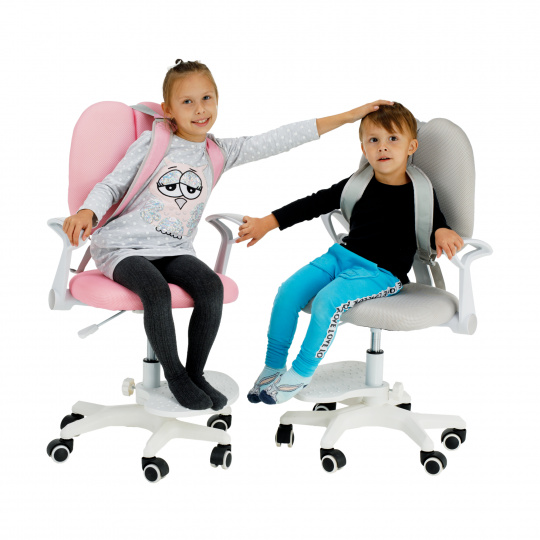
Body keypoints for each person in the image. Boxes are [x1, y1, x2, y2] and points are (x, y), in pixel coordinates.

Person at [62, 59, 391, 411]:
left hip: (173, 248)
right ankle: (176, 377)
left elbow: (278, 140)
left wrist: (346, 117)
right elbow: (111, 185)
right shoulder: (152, 142)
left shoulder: (219, 152)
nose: (200, 109)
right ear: (169, 109)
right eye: (187, 102)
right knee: (155, 292)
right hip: (123, 248)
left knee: (211, 288)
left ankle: (195, 374)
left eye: (207, 98)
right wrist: (87, 211)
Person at [238, 102, 464, 405]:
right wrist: (267, 223)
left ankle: (302, 372)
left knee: (327, 302)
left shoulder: (421, 192)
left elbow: (437, 222)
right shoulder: (357, 183)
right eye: (374, 140)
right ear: (363, 148)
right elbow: (313, 203)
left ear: (411, 147)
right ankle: (273, 366)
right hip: (340, 257)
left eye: (393, 139)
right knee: (287, 292)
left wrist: (443, 231)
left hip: (380, 273)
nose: (382, 147)